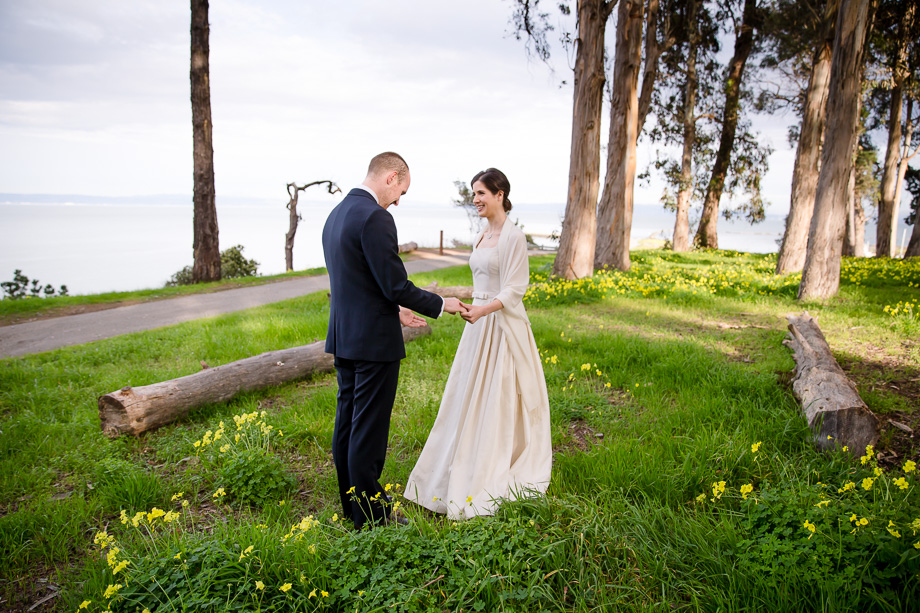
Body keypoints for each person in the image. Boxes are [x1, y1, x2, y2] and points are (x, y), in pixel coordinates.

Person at [322, 151, 467, 529]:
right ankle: (372, 518)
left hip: (344, 336)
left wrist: (396, 310)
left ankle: (352, 508)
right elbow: (395, 283)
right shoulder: (376, 216)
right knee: (367, 433)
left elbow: (354, 281)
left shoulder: (336, 215)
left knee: (347, 427)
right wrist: (441, 303)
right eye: (401, 190)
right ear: (390, 177)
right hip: (372, 343)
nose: (398, 201)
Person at [405, 168, 552, 520]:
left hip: (502, 325)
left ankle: (491, 464)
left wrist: (484, 309)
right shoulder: (481, 236)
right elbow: (481, 280)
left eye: (481, 193)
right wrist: (471, 306)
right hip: (477, 326)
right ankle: (450, 469)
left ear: (500, 195)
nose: (475, 200)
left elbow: (515, 289)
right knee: (464, 395)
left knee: (498, 395)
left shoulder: (513, 237)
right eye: (473, 194)